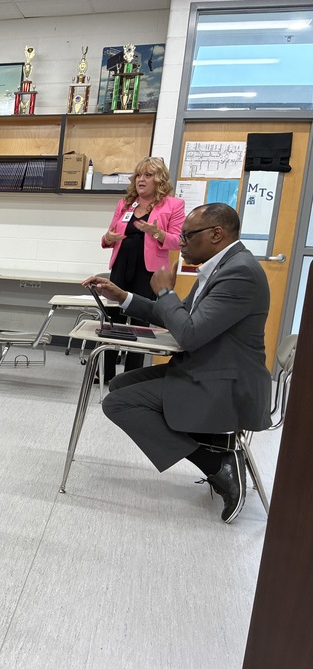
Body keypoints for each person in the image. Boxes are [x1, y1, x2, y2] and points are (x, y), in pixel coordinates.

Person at [85, 203, 271, 524]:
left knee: (118, 403)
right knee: (120, 385)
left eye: (186, 237)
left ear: (216, 234)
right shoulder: (219, 267)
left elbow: (188, 334)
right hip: (209, 368)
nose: (180, 244)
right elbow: (177, 316)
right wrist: (124, 297)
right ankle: (216, 445)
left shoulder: (239, 273)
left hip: (227, 383)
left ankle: (218, 464)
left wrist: (166, 291)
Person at [100, 157, 185, 380]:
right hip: (121, 266)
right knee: (113, 319)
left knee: (140, 321)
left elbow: (178, 240)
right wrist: (108, 237)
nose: (141, 180)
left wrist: (156, 232)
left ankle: (131, 375)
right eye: (139, 175)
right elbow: (108, 236)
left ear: (159, 179)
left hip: (148, 271)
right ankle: (106, 372)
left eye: (148, 175)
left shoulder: (173, 205)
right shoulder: (126, 204)